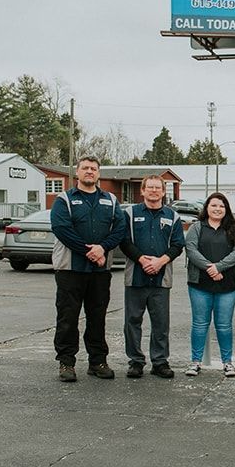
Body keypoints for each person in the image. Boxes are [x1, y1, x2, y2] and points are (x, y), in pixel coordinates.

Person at [51, 156, 125, 382]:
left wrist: (102, 248)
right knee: (67, 317)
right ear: (77, 173)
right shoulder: (64, 199)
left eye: (93, 168)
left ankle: (98, 361)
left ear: (98, 173)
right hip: (70, 270)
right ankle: (66, 362)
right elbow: (61, 229)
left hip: (99, 272)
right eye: (85, 168)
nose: (89, 172)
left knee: (97, 317)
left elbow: (120, 228)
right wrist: (89, 251)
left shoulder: (110, 200)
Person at [119, 175, 185, 379]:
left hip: (161, 278)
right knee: (132, 321)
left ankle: (160, 361)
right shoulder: (130, 213)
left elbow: (177, 245)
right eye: (150, 187)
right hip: (135, 277)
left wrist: (159, 262)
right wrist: (142, 260)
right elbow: (124, 240)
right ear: (143, 191)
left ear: (164, 192)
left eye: (158, 188)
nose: (154, 191)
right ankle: (136, 361)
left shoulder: (172, 216)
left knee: (160, 322)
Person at [184, 193, 235, 377]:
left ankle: (227, 363)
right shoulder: (197, 227)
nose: (218, 209)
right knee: (200, 324)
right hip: (199, 284)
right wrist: (209, 268)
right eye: (214, 205)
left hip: (226, 285)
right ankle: (195, 362)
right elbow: (191, 249)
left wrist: (219, 267)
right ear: (207, 208)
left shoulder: (233, 229)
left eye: (221, 206)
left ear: (226, 209)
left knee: (224, 325)